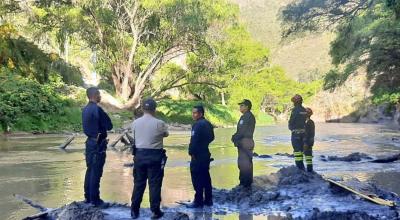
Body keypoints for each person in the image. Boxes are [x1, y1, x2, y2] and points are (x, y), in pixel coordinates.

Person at [130, 98, 168, 219]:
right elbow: (165, 134)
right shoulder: (159, 123)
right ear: (154, 109)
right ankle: (155, 210)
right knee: (155, 184)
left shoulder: (135, 123)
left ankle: (134, 210)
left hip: (139, 156)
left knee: (138, 183)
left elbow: (134, 136)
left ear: (142, 109)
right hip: (155, 157)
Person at [82, 87, 113, 207]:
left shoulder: (85, 109)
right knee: (96, 172)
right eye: (99, 94)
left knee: (90, 170)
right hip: (98, 144)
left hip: (89, 143)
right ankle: (95, 200)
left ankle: (88, 197)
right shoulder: (97, 109)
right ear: (95, 95)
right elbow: (109, 126)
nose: (100, 97)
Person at [187, 105, 215, 208]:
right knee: (206, 177)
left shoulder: (197, 125)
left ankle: (198, 201)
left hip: (198, 155)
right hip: (205, 152)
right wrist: (204, 143)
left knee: (197, 178)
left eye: (195, 113)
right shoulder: (208, 123)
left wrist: (191, 152)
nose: (193, 115)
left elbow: (194, 141)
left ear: (201, 114)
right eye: (193, 112)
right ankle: (208, 200)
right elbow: (212, 137)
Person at [231, 99, 256, 187]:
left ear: (247, 107)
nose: (240, 107)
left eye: (242, 105)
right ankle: (244, 183)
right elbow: (240, 131)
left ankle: (246, 184)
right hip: (244, 141)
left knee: (245, 163)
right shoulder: (245, 116)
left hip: (246, 141)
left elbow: (242, 131)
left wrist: (234, 137)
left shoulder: (248, 116)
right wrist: (235, 137)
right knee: (243, 163)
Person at [288, 94, 307, 170]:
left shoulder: (295, 110)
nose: (293, 103)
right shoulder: (304, 110)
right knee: (300, 152)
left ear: (296, 102)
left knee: (297, 152)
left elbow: (292, 120)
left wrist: (290, 127)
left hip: (296, 133)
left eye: (294, 102)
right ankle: (302, 168)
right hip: (303, 133)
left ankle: (300, 169)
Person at [304, 107, 315, 172]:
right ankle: (308, 171)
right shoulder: (305, 122)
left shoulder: (310, 122)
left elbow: (310, 134)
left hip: (307, 143)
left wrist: (306, 143)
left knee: (308, 158)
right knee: (307, 158)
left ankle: (310, 172)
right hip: (305, 142)